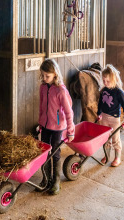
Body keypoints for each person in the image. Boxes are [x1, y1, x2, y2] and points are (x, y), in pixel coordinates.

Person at [38, 59, 75, 195]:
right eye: (42, 75)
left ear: (55, 74)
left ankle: (56, 181)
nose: (44, 78)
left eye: (47, 76)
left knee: (55, 154)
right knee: (44, 153)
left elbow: (69, 112)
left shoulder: (61, 90)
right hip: (46, 126)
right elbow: (41, 107)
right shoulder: (43, 87)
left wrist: (70, 131)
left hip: (58, 128)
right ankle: (46, 179)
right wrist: (40, 123)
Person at [97, 64, 124, 167]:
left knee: (115, 138)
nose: (105, 83)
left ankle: (117, 157)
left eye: (108, 81)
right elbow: (100, 103)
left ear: (114, 79)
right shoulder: (103, 90)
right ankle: (107, 156)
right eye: (103, 81)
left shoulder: (119, 92)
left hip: (115, 118)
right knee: (106, 138)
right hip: (104, 117)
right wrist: (99, 113)